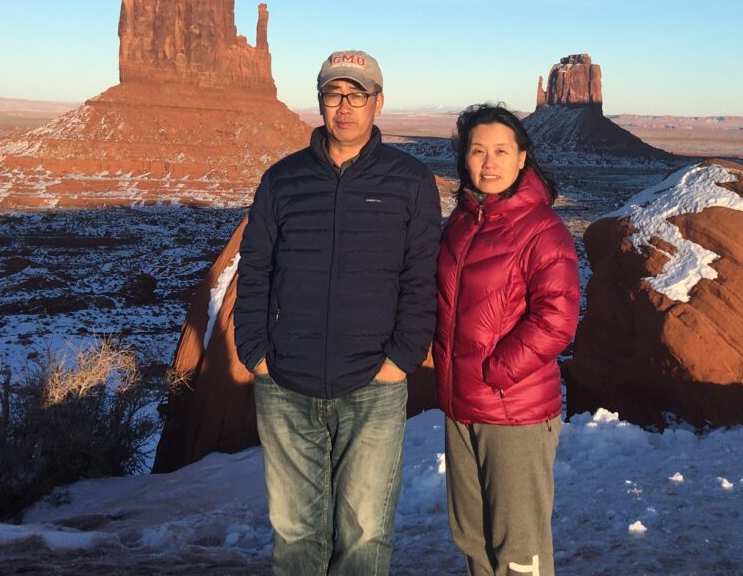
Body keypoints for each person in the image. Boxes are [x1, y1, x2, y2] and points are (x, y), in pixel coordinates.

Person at [234, 50, 441, 575]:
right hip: (285, 383)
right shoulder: (282, 179)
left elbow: (422, 276)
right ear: (321, 101)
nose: (345, 106)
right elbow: (255, 268)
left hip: (374, 384)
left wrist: (402, 359)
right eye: (334, 94)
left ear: (378, 103)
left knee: (365, 538)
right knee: (295, 538)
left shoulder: (410, 180)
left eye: (358, 95)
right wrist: (255, 353)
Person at [433, 103, 580, 576]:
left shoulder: (543, 229)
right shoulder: (460, 222)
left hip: (511, 410)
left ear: (523, 159)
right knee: (471, 537)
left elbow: (558, 319)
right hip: (461, 407)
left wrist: (495, 372)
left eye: (501, 150)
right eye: (478, 151)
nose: (489, 162)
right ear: (465, 160)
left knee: (519, 548)